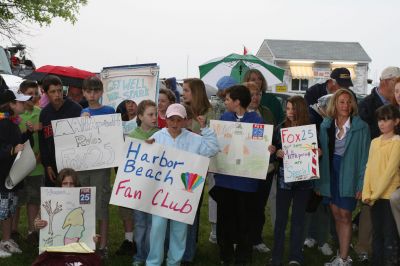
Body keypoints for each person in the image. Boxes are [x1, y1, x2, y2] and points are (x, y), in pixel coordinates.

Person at [146, 103, 218, 266]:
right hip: (160, 193)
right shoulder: (158, 136)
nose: (175, 123)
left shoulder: (194, 139)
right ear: (166, 120)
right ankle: (153, 262)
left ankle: (174, 261)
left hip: (183, 194)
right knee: (157, 228)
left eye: (179, 120)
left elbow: (213, 149)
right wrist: (146, 147)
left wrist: (204, 128)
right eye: (172, 119)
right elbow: (147, 159)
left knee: (180, 230)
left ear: (185, 121)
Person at [316, 89, 370, 266]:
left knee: (346, 215)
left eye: (348, 102)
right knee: (336, 214)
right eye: (342, 102)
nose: (345, 105)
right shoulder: (326, 125)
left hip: (350, 174)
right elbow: (322, 153)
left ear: (353, 104)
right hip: (331, 172)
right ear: (335, 104)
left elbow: (365, 158)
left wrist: (361, 184)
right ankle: (342, 254)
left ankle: (344, 258)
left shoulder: (361, 127)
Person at [212, 85, 263, 265]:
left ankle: (243, 257)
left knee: (244, 221)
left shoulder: (256, 121)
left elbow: (260, 147)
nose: (225, 102)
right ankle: (225, 255)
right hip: (225, 180)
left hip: (246, 183)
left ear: (237, 102)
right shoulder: (224, 119)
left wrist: (268, 149)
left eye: (227, 99)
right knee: (225, 220)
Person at [269, 96, 315, 266]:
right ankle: (277, 256)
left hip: (304, 182)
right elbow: (272, 150)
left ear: (301, 109)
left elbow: (319, 152)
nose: (290, 112)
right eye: (288, 108)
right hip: (284, 181)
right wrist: (275, 152)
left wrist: (318, 152)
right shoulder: (280, 129)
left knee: (298, 220)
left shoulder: (310, 130)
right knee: (280, 220)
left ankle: (296, 256)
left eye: (293, 108)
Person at [78, 77, 115, 259]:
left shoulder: (109, 111)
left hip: (101, 166)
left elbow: (112, 138)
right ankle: (87, 241)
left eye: (95, 91)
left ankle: (103, 245)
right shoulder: (81, 112)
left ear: (101, 92)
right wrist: (81, 123)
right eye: (88, 91)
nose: (92, 95)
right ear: (84, 93)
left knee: (101, 204)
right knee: (84, 203)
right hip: (83, 166)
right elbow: (77, 141)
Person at [362, 104, 400, 266]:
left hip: (386, 196)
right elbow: (369, 167)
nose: (382, 123)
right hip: (372, 197)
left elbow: (389, 172)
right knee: (376, 234)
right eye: (379, 120)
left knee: (389, 235)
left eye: (387, 120)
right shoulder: (374, 142)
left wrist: (375, 195)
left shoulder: (397, 143)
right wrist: (366, 193)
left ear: (396, 121)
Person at [181, 78, 213, 264]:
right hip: (179, 166)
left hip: (197, 168)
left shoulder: (209, 113)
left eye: (186, 90)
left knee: (191, 209)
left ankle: (188, 253)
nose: (183, 93)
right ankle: (178, 246)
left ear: (196, 92)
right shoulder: (182, 110)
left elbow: (212, 139)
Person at [0, 89, 33, 258]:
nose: (24, 104)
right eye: (20, 102)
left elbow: (18, 143)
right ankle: (3, 242)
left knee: (9, 209)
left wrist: (27, 134)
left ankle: (7, 239)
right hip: (4, 177)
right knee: (4, 211)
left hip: (11, 176)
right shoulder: (3, 123)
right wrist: (12, 149)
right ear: (12, 105)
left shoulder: (12, 123)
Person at [11, 80, 44, 246]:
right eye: (30, 93)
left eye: (36, 93)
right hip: (17, 166)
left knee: (34, 199)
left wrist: (39, 156)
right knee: (16, 199)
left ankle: (32, 232)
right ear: (21, 94)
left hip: (37, 166)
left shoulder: (41, 113)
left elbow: (45, 138)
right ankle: (13, 231)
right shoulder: (15, 115)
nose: (34, 97)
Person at [127, 100, 159, 266]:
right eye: (150, 114)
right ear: (140, 116)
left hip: (157, 190)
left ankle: (151, 256)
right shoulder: (132, 136)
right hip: (139, 189)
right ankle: (140, 255)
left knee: (153, 225)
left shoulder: (161, 135)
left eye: (155, 114)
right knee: (140, 223)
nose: (154, 117)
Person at [207, 76, 237, 246]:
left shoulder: (231, 107)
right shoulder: (215, 106)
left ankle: (222, 229)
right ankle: (214, 230)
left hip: (229, 155)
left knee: (223, 194)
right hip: (217, 155)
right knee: (215, 193)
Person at [39, 75, 82, 186]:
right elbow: (42, 142)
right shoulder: (44, 113)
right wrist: (47, 165)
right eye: (53, 92)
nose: (57, 95)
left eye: (59, 90)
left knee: (73, 198)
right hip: (52, 166)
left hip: (74, 163)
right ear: (46, 93)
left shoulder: (76, 109)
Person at [359, 66, 400, 139]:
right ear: (386, 82)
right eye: (397, 81)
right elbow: (364, 135)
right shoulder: (366, 105)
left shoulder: (397, 103)